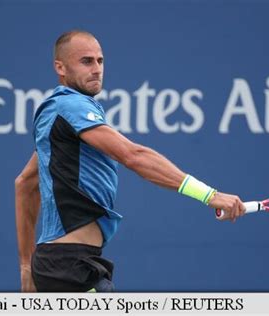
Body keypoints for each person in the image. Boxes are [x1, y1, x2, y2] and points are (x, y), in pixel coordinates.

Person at [15, 30, 246, 293]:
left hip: (62, 264)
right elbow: (133, 156)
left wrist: (26, 265)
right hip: (69, 265)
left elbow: (25, 182)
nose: (97, 69)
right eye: (86, 61)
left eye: (100, 61)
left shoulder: (57, 114)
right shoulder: (71, 106)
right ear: (61, 67)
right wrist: (209, 195)